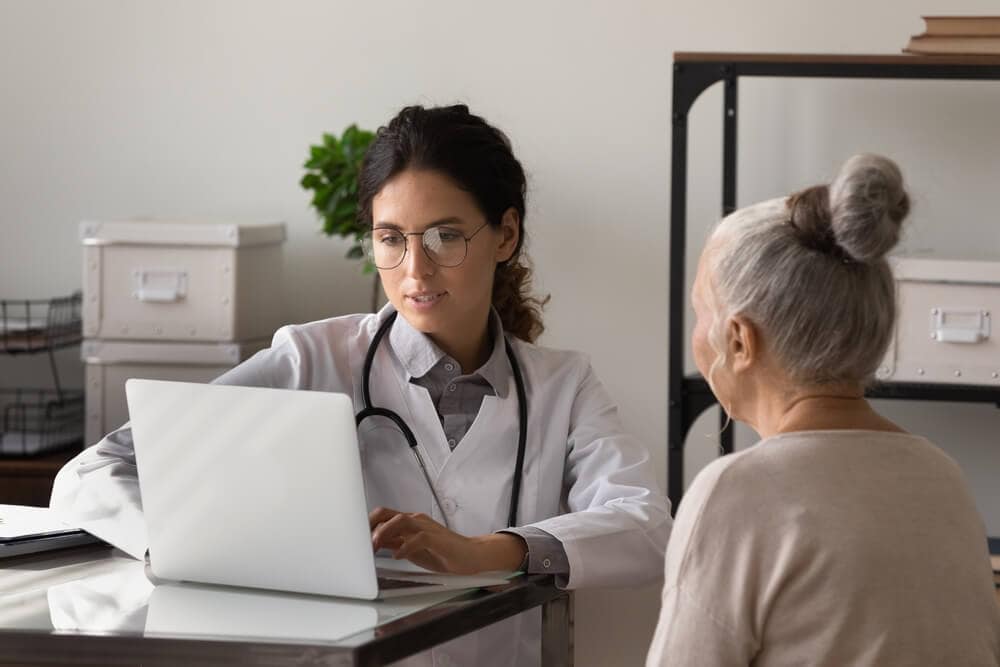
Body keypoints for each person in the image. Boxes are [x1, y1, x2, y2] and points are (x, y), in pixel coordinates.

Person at [51, 104, 672, 667]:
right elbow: (89, 475)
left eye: (445, 237)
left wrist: (485, 551)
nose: (415, 269)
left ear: (505, 235)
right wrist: (185, 546)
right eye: (391, 240)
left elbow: (645, 526)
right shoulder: (311, 360)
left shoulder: (563, 385)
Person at [645, 154, 1000, 666]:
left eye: (703, 311)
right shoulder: (943, 477)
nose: (697, 334)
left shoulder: (736, 493)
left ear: (740, 340)